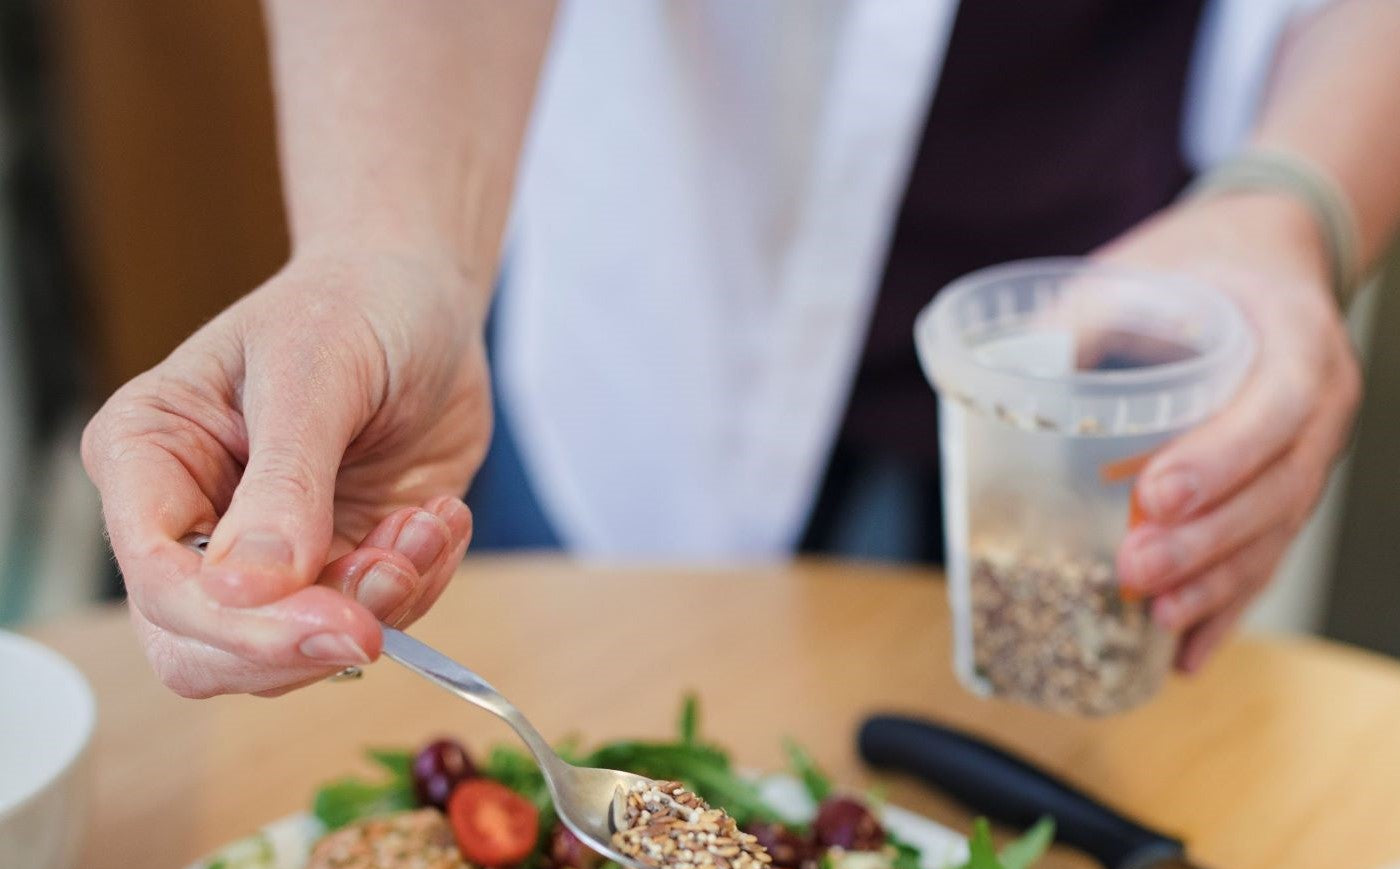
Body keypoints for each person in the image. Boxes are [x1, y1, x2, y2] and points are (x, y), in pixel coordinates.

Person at [81, 0, 1400, 699]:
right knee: (594, 695)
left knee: (1033, 802)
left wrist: (1292, 201)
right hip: (648, 305)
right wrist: (389, 247)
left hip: (1104, 344)